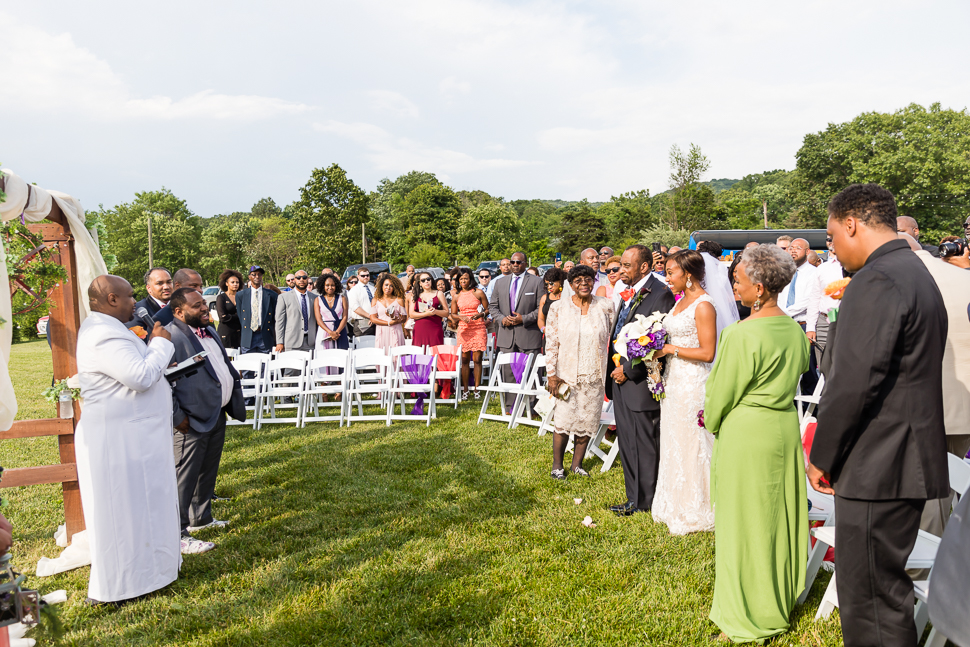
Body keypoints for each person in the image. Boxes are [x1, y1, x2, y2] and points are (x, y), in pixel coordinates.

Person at [809, 183, 948, 647]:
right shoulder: (913, 270)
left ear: (851, 223)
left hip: (878, 465)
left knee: (870, 602)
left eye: (832, 237)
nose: (832, 247)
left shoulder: (878, 279)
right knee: (883, 593)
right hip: (900, 460)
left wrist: (822, 454)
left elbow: (853, 382)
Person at [704, 244, 809, 643]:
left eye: (739, 282)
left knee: (742, 523)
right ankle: (777, 597)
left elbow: (720, 395)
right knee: (776, 517)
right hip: (783, 427)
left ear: (761, 288)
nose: (733, 287)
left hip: (747, 433)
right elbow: (800, 371)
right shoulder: (796, 332)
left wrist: (712, 421)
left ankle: (746, 613)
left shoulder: (740, 334)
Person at [74, 275, 182, 603]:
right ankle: (120, 585)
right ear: (110, 299)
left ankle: (153, 572)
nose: (135, 302)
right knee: (123, 515)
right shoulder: (102, 333)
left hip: (137, 438)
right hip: (118, 442)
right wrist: (161, 342)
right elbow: (140, 377)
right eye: (129, 296)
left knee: (147, 508)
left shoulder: (112, 328)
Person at [898, 233, 970, 537]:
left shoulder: (903, 283)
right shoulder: (963, 278)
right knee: (962, 490)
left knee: (931, 501)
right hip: (965, 402)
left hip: (924, 406)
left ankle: (927, 575)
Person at [165, 288, 244, 550]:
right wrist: (178, 417)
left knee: (207, 471)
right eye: (196, 305)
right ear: (178, 312)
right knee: (184, 476)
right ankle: (176, 532)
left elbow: (219, 361)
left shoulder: (208, 329)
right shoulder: (170, 336)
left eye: (204, 304)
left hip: (216, 411)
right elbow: (163, 381)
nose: (204, 309)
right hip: (190, 419)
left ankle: (201, 518)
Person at [651, 250, 717, 535]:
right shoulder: (679, 303)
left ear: (687, 275)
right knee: (675, 438)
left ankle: (700, 506)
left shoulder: (704, 306)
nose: (667, 278)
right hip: (673, 381)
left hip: (693, 384)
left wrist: (669, 349)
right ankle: (674, 502)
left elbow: (708, 352)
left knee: (694, 442)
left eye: (670, 272)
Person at [606, 245, 676, 516]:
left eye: (625, 265)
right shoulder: (629, 293)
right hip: (619, 378)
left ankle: (645, 500)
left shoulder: (660, 295)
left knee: (644, 442)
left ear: (644, 267)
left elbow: (656, 342)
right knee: (628, 441)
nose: (620, 270)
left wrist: (628, 370)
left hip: (639, 380)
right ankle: (633, 495)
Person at [545, 264, 615, 479]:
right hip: (566, 374)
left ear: (594, 281)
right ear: (571, 284)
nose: (584, 283)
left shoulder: (606, 306)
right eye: (578, 280)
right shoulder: (558, 308)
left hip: (594, 374)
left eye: (588, 279)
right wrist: (551, 374)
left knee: (587, 421)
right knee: (563, 421)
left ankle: (577, 465)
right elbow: (551, 342)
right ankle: (558, 466)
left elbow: (612, 337)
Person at [488, 252, 546, 383]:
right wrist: (502, 319)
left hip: (528, 336)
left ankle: (531, 404)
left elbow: (541, 309)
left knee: (532, 375)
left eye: (518, 262)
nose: (515, 265)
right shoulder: (499, 283)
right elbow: (493, 307)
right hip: (506, 337)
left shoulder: (537, 282)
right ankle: (510, 404)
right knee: (508, 376)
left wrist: (524, 318)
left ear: (525, 264)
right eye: (512, 262)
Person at [778, 238, 819, 396]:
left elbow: (809, 300)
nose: (793, 250)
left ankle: (812, 412)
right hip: (783, 325)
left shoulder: (814, 273)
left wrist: (783, 313)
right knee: (785, 369)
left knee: (807, 369)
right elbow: (779, 296)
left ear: (807, 252)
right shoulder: (783, 271)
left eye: (798, 248)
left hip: (802, 325)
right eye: (791, 248)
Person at [804, 235, 843, 364]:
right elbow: (815, 298)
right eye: (828, 239)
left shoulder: (859, 265)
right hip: (824, 322)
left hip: (848, 320)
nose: (831, 241)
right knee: (824, 365)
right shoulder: (823, 268)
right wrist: (810, 328)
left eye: (834, 237)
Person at [451, 268, 489, 399]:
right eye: (461, 279)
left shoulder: (478, 293)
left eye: (465, 278)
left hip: (478, 327)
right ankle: (465, 389)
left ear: (470, 279)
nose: (463, 281)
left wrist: (481, 314)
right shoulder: (456, 295)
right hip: (464, 328)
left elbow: (488, 309)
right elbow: (453, 314)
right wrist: (461, 317)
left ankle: (477, 389)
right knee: (465, 360)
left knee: (477, 359)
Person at [236, 266, 278, 354]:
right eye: (254, 274)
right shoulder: (241, 295)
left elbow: (274, 316)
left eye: (259, 274)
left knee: (264, 366)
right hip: (248, 335)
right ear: (249, 276)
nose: (257, 277)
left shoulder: (272, 295)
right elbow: (241, 316)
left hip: (264, 335)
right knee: (247, 365)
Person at [275, 270, 317, 354]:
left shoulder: (315, 298)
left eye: (304, 277)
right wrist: (279, 342)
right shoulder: (283, 297)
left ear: (308, 279)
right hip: (291, 342)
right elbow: (280, 322)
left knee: (310, 367)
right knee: (290, 367)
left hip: (311, 342)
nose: (301, 280)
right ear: (294, 280)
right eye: (298, 278)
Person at [370, 273, 408, 353]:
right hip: (381, 331)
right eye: (386, 285)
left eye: (391, 286)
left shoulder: (399, 300)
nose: (388, 288)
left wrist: (395, 318)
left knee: (396, 356)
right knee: (382, 356)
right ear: (382, 286)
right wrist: (388, 323)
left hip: (396, 330)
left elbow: (404, 318)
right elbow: (373, 318)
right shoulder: (375, 300)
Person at [409, 271, 448, 348]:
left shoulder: (439, 293)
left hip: (435, 328)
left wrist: (435, 311)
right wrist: (427, 314)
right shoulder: (415, 295)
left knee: (435, 352)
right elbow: (411, 314)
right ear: (420, 283)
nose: (426, 281)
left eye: (428, 279)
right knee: (420, 353)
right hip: (420, 329)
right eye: (423, 280)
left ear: (431, 280)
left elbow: (446, 312)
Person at [313, 273, 349, 353]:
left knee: (340, 356)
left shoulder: (342, 298)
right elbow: (318, 320)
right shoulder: (317, 300)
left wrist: (336, 332)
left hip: (340, 330)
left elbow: (345, 317)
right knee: (324, 356)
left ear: (336, 286)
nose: (330, 287)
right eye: (327, 285)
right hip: (324, 331)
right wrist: (330, 332)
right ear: (323, 286)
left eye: (332, 285)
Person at [215, 270, 243, 349]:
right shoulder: (221, 298)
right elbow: (223, 317)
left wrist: (230, 316)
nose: (235, 284)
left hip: (239, 333)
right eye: (232, 282)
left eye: (237, 282)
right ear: (226, 283)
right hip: (226, 333)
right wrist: (238, 316)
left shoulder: (242, 297)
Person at [348, 267, 376, 337]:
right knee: (363, 347)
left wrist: (374, 317)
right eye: (363, 276)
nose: (365, 277)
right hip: (362, 324)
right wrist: (370, 316)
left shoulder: (373, 288)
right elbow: (355, 308)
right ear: (358, 276)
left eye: (367, 275)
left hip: (375, 322)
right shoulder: (354, 290)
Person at [538, 267, 566, 334]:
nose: (549, 287)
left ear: (560, 281)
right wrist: (544, 330)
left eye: (551, 283)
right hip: (548, 336)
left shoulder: (567, 296)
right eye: (546, 284)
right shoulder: (544, 298)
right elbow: (540, 319)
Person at [728, 254, 750, 320]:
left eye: (742, 272)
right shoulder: (726, 290)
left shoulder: (753, 291)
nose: (737, 275)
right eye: (735, 271)